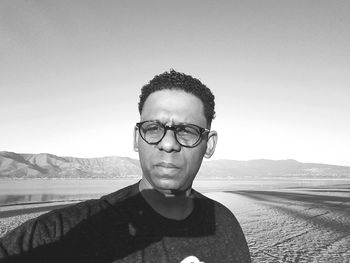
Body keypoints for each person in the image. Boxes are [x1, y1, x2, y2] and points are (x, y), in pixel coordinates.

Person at [0, 70, 251, 262]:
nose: (168, 144)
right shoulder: (66, 231)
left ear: (209, 144)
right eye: (154, 128)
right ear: (136, 138)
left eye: (186, 131)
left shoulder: (225, 224)